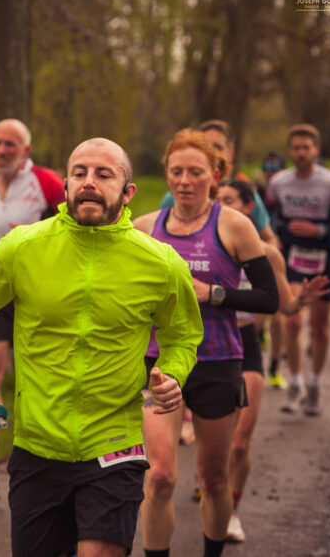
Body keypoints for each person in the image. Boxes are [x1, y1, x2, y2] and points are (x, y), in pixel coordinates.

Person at [0, 137, 203, 557]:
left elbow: (183, 334)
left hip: (115, 443)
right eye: (79, 173)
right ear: (65, 185)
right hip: (37, 445)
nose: (89, 182)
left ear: (128, 191)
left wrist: (173, 373)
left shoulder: (161, 263)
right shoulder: (23, 247)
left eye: (104, 174)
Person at [134, 129, 279, 557]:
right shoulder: (144, 228)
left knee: (214, 480)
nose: (184, 180)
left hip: (217, 361)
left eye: (195, 172)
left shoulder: (234, 225)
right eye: (176, 171)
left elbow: (267, 298)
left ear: (215, 175)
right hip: (159, 364)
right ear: (166, 174)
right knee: (159, 475)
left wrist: (213, 293)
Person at [215, 179, 329, 543]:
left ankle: (232, 511)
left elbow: (284, 306)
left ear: (250, 208)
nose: (221, 206)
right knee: (212, 451)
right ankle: (213, 495)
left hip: (246, 347)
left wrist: (301, 302)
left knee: (240, 442)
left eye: (229, 200)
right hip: (207, 349)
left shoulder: (267, 253)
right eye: (217, 200)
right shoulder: (204, 245)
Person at [0, 118, 64, 500]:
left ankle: (50, 460)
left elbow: (75, 226)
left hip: (40, 293)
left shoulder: (47, 183)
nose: (2, 149)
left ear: (26, 152)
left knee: (42, 377)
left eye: (11, 144)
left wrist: (39, 244)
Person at [266, 124, 330, 416]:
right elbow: (269, 213)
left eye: (306, 147)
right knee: (292, 321)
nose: (301, 153)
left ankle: (315, 384)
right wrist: (273, 235)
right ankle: (295, 383)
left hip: (323, 259)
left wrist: (320, 229)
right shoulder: (280, 181)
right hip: (291, 258)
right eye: (296, 148)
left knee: (319, 327)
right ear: (291, 151)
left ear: (316, 150)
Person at [159, 120, 279, 246]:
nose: (212, 152)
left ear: (230, 155)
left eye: (218, 147)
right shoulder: (173, 197)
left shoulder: (247, 195)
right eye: (205, 145)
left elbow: (271, 240)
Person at [257, 152, 288, 388]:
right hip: (255, 259)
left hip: (281, 257)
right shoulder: (256, 195)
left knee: (280, 317)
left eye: (275, 167)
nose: (270, 171)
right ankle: (258, 342)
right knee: (257, 321)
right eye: (267, 166)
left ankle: (275, 367)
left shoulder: (288, 194)